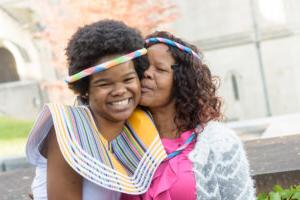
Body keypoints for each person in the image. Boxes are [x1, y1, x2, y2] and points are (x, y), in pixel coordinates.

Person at [26, 20, 167, 200]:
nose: (120, 91)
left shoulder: (139, 123)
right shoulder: (70, 130)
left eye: (128, 79)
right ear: (85, 89)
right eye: (104, 83)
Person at [122, 31, 256, 200]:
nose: (147, 73)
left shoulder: (217, 141)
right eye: (143, 66)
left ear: (182, 80)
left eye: (160, 69)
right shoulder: (122, 140)